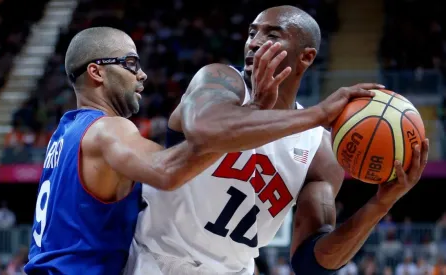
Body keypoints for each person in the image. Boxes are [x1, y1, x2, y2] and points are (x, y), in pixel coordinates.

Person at [126, 5, 429, 275]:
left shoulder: (320, 152)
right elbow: (205, 130)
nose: (254, 42)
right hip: (157, 260)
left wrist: (379, 205)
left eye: (272, 34)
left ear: (306, 57)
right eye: (251, 33)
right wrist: (316, 114)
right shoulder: (221, 81)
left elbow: (310, 263)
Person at [24, 27, 230, 274]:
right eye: (131, 63)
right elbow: (167, 170)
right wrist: (233, 130)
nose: (142, 74)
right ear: (96, 72)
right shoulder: (107, 129)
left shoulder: (64, 134)